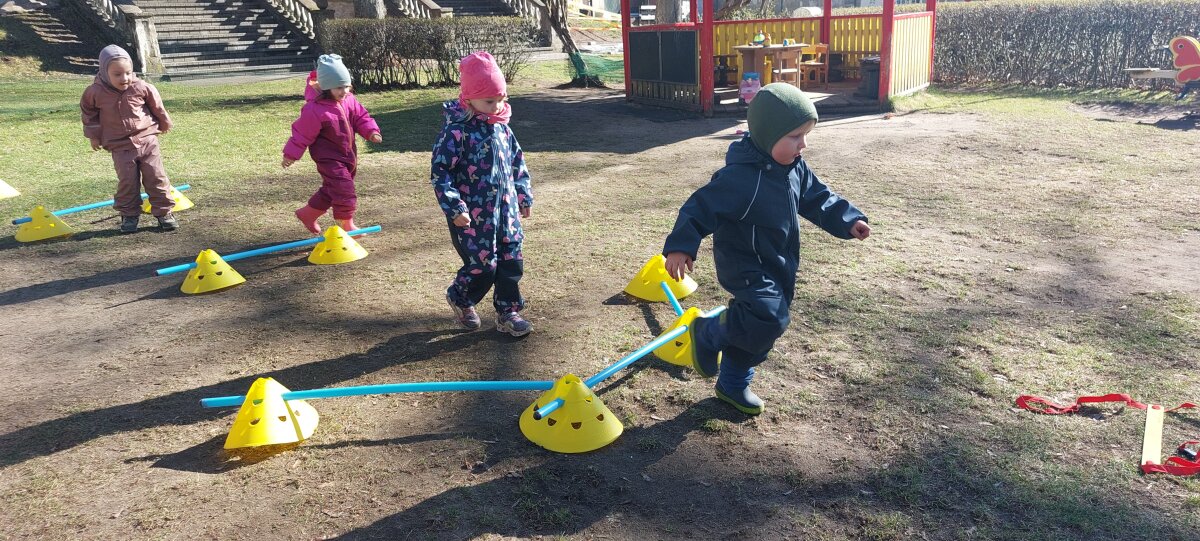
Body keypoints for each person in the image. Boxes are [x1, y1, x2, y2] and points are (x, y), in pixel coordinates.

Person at [662, 83, 871, 415]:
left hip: (778, 262)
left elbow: (818, 198)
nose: (803, 144)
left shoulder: (794, 168)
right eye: (795, 136)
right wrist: (680, 246)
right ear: (767, 135)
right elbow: (700, 207)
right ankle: (708, 332)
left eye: (806, 135)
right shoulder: (741, 178)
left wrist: (847, 220)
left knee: (763, 327)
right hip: (744, 264)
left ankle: (733, 383)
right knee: (770, 317)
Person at [431, 51, 534, 336]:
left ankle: (508, 312)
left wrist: (523, 194)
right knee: (483, 266)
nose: (497, 106)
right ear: (469, 99)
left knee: (511, 260)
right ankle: (461, 297)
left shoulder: (502, 129)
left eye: (501, 99)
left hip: (507, 212)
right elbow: (441, 172)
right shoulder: (456, 132)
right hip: (473, 216)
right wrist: (454, 207)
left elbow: (517, 162)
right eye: (489, 101)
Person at [80, 44, 178, 233]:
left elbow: (157, 105)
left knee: (156, 176)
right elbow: (89, 114)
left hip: (147, 139)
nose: (124, 78)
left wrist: (164, 122)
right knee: (127, 182)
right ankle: (129, 215)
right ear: (104, 72)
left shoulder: (141, 87)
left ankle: (164, 213)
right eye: (117, 74)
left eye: (128, 73)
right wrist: (93, 136)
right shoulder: (94, 92)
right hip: (120, 145)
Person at [283, 54, 382, 234]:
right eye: (338, 87)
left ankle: (308, 214)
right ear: (326, 87)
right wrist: (291, 155)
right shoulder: (315, 109)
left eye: (346, 86)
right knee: (344, 189)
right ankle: (346, 224)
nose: (344, 91)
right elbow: (302, 133)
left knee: (332, 189)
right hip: (328, 158)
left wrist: (371, 131)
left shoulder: (349, 100)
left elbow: (361, 117)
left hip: (347, 155)